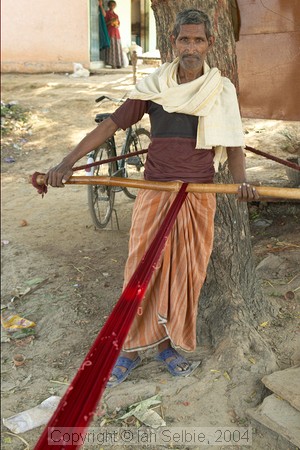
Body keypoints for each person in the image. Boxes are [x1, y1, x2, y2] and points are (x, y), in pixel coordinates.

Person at [45, 9, 259, 387]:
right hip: (156, 191)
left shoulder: (220, 89)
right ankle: (128, 349)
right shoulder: (155, 87)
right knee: (140, 271)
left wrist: (242, 183)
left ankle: (167, 346)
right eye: (184, 39)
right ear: (172, 43)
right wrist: (67, 163)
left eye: (198, 40)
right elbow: (111, 124)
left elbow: (235, 144)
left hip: (197, 194)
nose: (191, 47)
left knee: (185, 274)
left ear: (210, 44)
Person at [99, 0, 124, 69]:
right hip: (110, 33)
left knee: (117, 48)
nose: (112, 6)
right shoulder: (107, 13)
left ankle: (118, 63)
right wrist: (110, 22)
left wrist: (116, 25)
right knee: (112, 49)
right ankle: (112, 64)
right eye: (111, 5)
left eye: (113, 5)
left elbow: (118, 25)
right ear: (108, 6)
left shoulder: (116, 15)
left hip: (116, 33)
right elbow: (105, 23)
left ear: (115, 6)